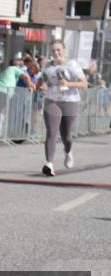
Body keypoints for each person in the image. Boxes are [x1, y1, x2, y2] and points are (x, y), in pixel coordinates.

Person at [39, 40, 88, 176]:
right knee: (51, 132)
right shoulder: (47, 66)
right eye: (53, 50)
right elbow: (43, 80)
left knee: (66, 135)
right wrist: (42, 86)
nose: (56, 53)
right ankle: (49, 164)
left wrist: (68, 83)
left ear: (64, 50)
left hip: (70, 101)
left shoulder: (72, 64)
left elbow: (84, 84)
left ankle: (68, 151)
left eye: (59, 50)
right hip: (52, 100)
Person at [0, 57, 34, 139]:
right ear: (16, 64)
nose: (21, 64)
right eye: (19, 62)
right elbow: (26, 77)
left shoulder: (6, 71)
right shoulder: (14, 69)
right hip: (4, 91)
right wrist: (29, 88)